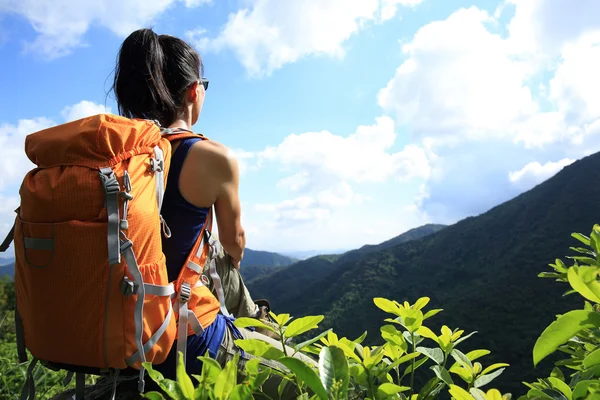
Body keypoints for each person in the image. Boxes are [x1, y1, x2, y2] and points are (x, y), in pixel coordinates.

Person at [108, 28, 313, 398]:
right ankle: (262, 329)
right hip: (186, 340)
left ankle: (256, 327)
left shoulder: (112, 159)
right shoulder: (212, 158)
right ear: (193, 91)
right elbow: (234, 247)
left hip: (116, 334)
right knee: (318, 381)